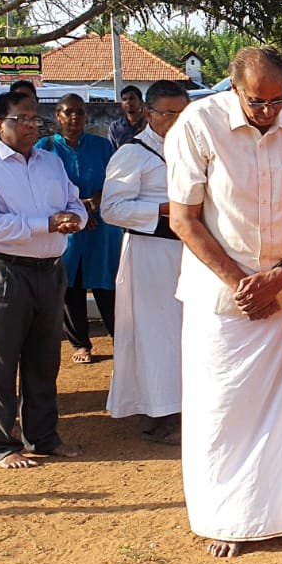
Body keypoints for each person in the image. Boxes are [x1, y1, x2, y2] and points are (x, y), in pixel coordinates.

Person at [166, 46, 282, 557]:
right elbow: (184, 219)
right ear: (234, 87)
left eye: (277, 100)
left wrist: (279, 277)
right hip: (221, 298)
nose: (268, 111)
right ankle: (224, 519)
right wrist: (243, 283)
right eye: (257, 102)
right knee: (221, 412)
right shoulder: (198, 123)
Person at [0, 90, 88, 469]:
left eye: (35, 119)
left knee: (44, 360)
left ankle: (43, 436)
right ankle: (2, 444)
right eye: (22, 119)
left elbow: (73, 200)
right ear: (0, 124)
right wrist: (44, 223)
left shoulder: (51, 162)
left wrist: (75, 217)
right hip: (5, 272)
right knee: (1, 362)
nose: (32, 125)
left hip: (49, 271)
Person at [101, 80, 190, 444]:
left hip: (190, 252)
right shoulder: (133, 153)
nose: (177, 120)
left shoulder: (193, 149)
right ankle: (158, 414)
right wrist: (163, 209)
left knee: (185, 331)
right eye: (169, 113)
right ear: (149, 113)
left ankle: (185, 407)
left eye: (183, 113)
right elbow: (112, 208)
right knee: (157, 333)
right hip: (151, 252)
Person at [37, 94, 121, 365]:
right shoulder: (45, 149)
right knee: (69, 285)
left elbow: (116, 182)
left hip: (101, 226)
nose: (74, 117)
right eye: (68, 112)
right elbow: (40, 189)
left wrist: (91, 207)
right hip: (66, 227)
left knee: (107, 285)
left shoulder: (102, 146)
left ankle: (121, 338)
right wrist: (78, 213)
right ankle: (80, 343)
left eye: (80, 112)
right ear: (58, 115)